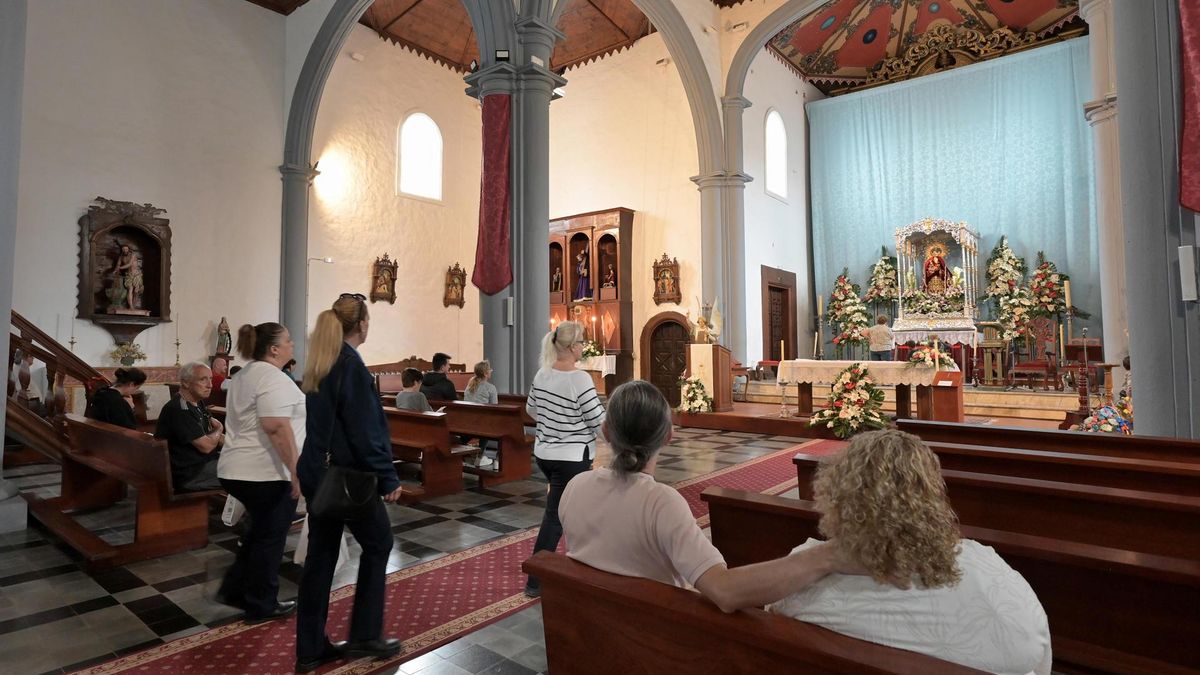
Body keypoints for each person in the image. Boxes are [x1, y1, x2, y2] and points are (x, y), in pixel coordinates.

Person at [561, 380, 865, 611]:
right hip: (650, 639)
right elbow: (725, 591)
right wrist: (825, 556)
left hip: (588, 629)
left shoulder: (575, 486)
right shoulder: (659, 503)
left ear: (605, 431)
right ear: (669, 435)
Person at [768, 429, 1052, 674]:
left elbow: (769, 615)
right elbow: (1035, 657)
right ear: (932, 492)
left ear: (838, 492)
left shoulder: (803, 577)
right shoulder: (989, 573)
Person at [295, 294, 406, 672]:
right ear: (361, 325)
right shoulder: (350, 365)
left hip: (317, 473)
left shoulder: (320, 362)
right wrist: (388, 475)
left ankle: (309, 648)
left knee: (320, 560)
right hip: (348, 477)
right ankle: (365, 635)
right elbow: (364, 431)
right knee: (379, 544)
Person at [215, 322, 304, 624]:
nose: (293, 345)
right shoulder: (272, 377)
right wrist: (295, 470)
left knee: (258, 534)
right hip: (264, 472)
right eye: (288, 340)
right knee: (270, 538)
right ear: (274, 348)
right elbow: (276, 426)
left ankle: (235, 590)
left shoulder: (246, 374)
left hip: (236, 467)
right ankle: (261, 604)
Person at [524, 320, 605, 597]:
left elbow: (532, 410)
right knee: (556, 516)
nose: (583, 346)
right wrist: (619, 435)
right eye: (581, 342)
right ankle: (535, 579)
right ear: (572, 347)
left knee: (575, 510)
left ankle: (583, 565)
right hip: (571, 457)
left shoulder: (542, 374)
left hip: (545, 454)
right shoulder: (579, 378)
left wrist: (555, 423)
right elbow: (597, 420)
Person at [155, 361, 224, 492]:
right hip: (191, 474)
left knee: (251, 462)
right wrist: (219, 428)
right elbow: (207, 446)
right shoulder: (180, 409)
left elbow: (211, 434)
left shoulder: (197, 403)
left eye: (211, 379)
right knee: (249, 472)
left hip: (202, 465)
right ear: (186, 382)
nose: (210, 385)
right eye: (203, 380)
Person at [464, 360, 498, 469]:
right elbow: (495, 408)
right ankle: (482, 456)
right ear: (485, 373)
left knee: (480, 422)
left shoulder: (469, 386)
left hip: (467, 420)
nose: (491, 372)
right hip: (482, 423)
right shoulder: (490, 388)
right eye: (490, 370)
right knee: (487, 422)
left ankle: (461, 450)